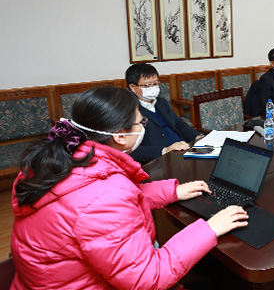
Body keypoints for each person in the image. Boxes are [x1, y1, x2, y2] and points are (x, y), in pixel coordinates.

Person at [11, 86, 248, 289]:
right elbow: (147, 279)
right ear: (120, 136)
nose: (144, 125)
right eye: (140, 121)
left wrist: (172, 191)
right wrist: (209, 228)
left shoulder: (64, 156)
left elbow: (97, 200)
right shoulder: (105, 197)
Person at [126, 63, 202, 164]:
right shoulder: (127, 110)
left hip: (182, 151)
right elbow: (130, 150)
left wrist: (197, 137)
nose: (153, 88)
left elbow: (178, 124)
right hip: (157, 162)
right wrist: (164, 150)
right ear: (132, 87)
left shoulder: (161, 102)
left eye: (155, 84)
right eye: (147, 85)